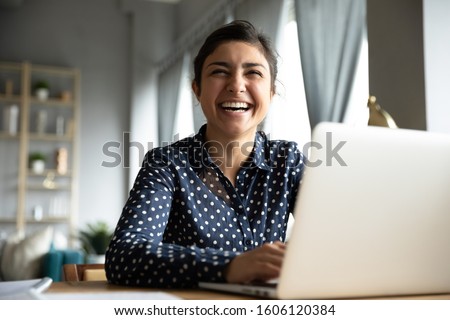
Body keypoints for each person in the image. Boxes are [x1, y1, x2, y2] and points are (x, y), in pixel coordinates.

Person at [105, 20, 305, 288]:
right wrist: (228, 266)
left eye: (253, 73)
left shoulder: (288, 160)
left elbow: (337, 236)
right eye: (220, 72)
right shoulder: (166, 164)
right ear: (197, 89)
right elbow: (124, 257)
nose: (236, 85)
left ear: (271, 92)